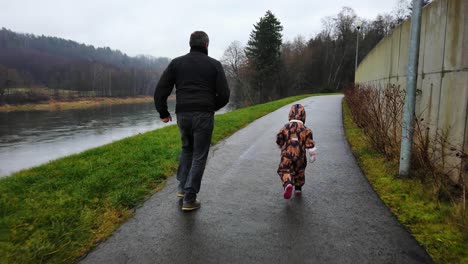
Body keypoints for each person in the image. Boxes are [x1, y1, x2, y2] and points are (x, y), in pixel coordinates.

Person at [154, 31, 230, 211]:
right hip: (203, 115)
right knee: (199, 155)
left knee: (187, 149)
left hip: (183, 115)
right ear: (206, 45)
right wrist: (211, 107)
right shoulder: (214, 65)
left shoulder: (176, 63)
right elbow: (225, 95)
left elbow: (160, 90)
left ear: (190, 44)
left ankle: (182, 188)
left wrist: (163, 112)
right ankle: (189, 197)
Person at [276, 104, 315, 199]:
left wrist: (281, 145)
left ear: (290, 115)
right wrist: (312, 154)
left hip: (287, 156)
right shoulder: (307, 130)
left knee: (284, 170)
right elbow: (310, 144)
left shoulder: (285, 128)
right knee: (299, 171)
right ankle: (298, 188)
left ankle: (288, 184)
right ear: (303, 116)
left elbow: (279, 139)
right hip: (300, 156)